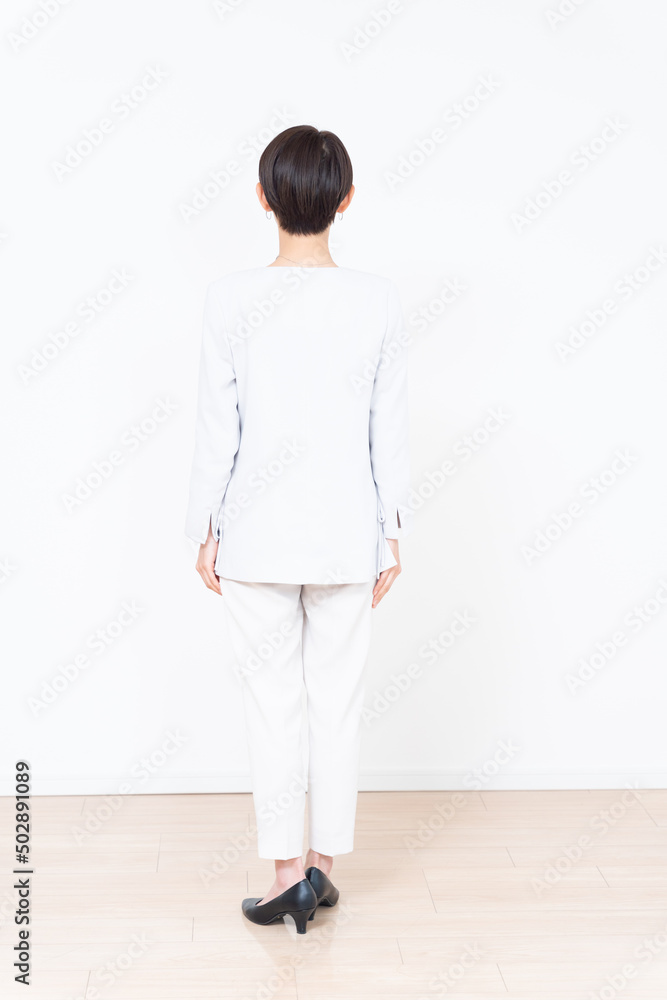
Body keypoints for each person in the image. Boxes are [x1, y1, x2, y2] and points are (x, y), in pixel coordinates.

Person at [184, 124, 413, 934]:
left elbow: (218, 429)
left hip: (255, 533)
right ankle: (322, 868)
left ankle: (286, 877)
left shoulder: (228, 298)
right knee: (337, 701)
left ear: (262, 198)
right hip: (348, 532)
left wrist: (205, 527)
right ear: (345, 200)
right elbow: (388, 428)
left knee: (271, 701)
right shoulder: (377, 298)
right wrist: (391, 530)